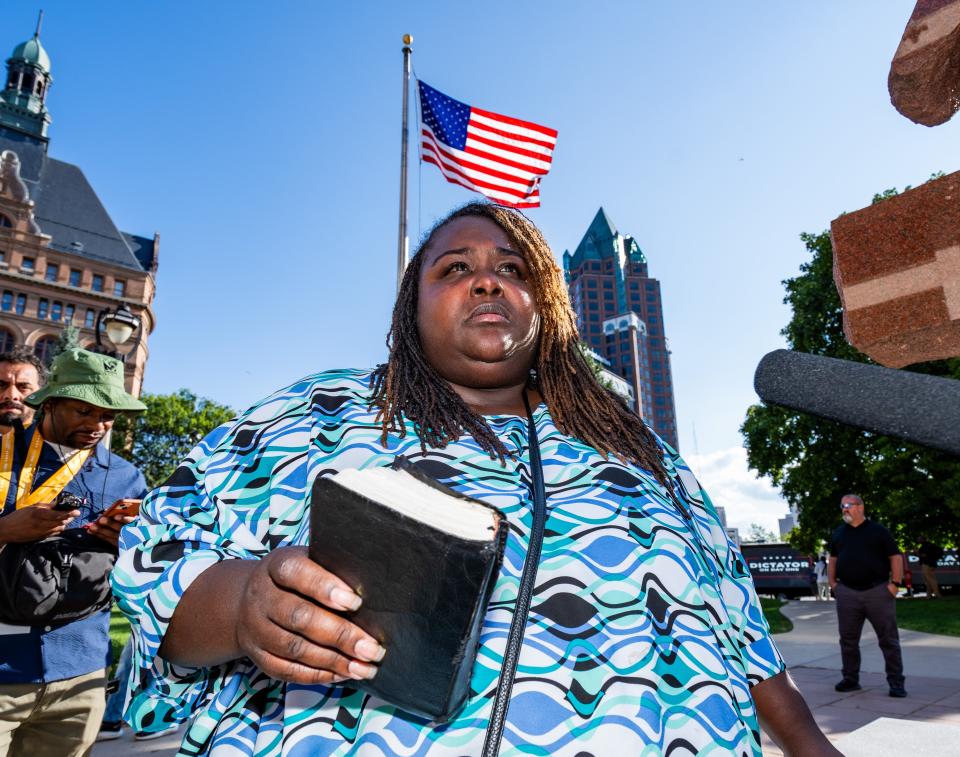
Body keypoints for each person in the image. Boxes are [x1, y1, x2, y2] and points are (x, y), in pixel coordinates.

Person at [114, 202, 839, 756]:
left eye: (513, 268)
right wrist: (245, 602)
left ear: (548, 303)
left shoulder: (642, 449)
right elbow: (156, 556)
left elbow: (740, 625)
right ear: (412, 305)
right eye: (454, 267)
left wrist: (815, 748)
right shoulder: (319, 411)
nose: (487, 277)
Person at [0, 348, 148, 756]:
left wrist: (127, 544)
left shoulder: (128, 478)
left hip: (79, 674)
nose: (97, 424)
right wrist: (7, 529)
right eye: (83, 410)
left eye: (108, 415)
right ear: (49, 402)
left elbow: (146, 566)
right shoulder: (3, 455)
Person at [827, 494, 906, 698]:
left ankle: (896, 682)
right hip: (847, 593)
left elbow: (895, 557)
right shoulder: (838, 534)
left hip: (878, 592)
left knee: (888, 640)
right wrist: (834, 585)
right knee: (848, 640)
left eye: (848, 505)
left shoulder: (878, 531)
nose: (844, 509)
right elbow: (833, 560)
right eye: (842, 506)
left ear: (860, 507)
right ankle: (850, 679)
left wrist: (895, 584)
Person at [0, 347, 44, 435]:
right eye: (1, 385)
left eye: (23, 387)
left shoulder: (55, 448)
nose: (12, 395)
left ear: (40, 394)